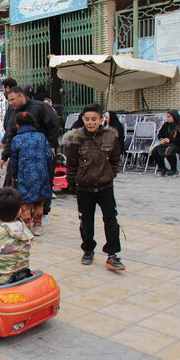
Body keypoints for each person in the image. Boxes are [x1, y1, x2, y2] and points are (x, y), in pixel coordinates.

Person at [64, 103, 124, 270]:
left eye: (94, 119)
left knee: (111, 220)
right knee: (86, 221)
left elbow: (115, 161)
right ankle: (88, 250)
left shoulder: (111, 137)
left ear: (101, 120)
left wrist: (110, 175)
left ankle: (112, 254)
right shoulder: (77, 138)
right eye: (87, 119)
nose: (90, 123)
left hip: (105, 187)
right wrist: (72, 185)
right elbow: (72, 164)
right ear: (83, 120)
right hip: (84, 188)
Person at [0, 86, 60, 224]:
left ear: (21, 96)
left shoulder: (40, 107)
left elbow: (54, 126)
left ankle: (43, 214)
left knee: (43, 186)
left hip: (42, 157)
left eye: (12, 99)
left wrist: (52, 145)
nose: (10, 103)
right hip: (23, 161)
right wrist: (4, 157)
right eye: (8, 101)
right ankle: (19, 215)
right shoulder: (14, 112)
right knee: (16, 186)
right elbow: (10, 135)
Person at [9, 111, 52, 236]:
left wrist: (14, 176)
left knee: (25, 201)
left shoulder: (16, 139)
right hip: (41, 174)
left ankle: (26, 225)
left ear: (18, 125)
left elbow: (14, 161)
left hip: (24, 175)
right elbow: (49, 156)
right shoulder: (41, 137)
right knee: (39, 200)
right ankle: (37, 226)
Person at [151, 110, 180, 177]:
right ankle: (163, 168)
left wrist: (170, 141)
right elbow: (160, 135)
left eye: (169, 117)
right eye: (167, 116)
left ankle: (173, 169)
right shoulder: (166, 125)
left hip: (179, 145)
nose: (167, 118)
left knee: (169, 150)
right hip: (166, 144)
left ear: (174, 117)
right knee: (155, 151)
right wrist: (163, 139)